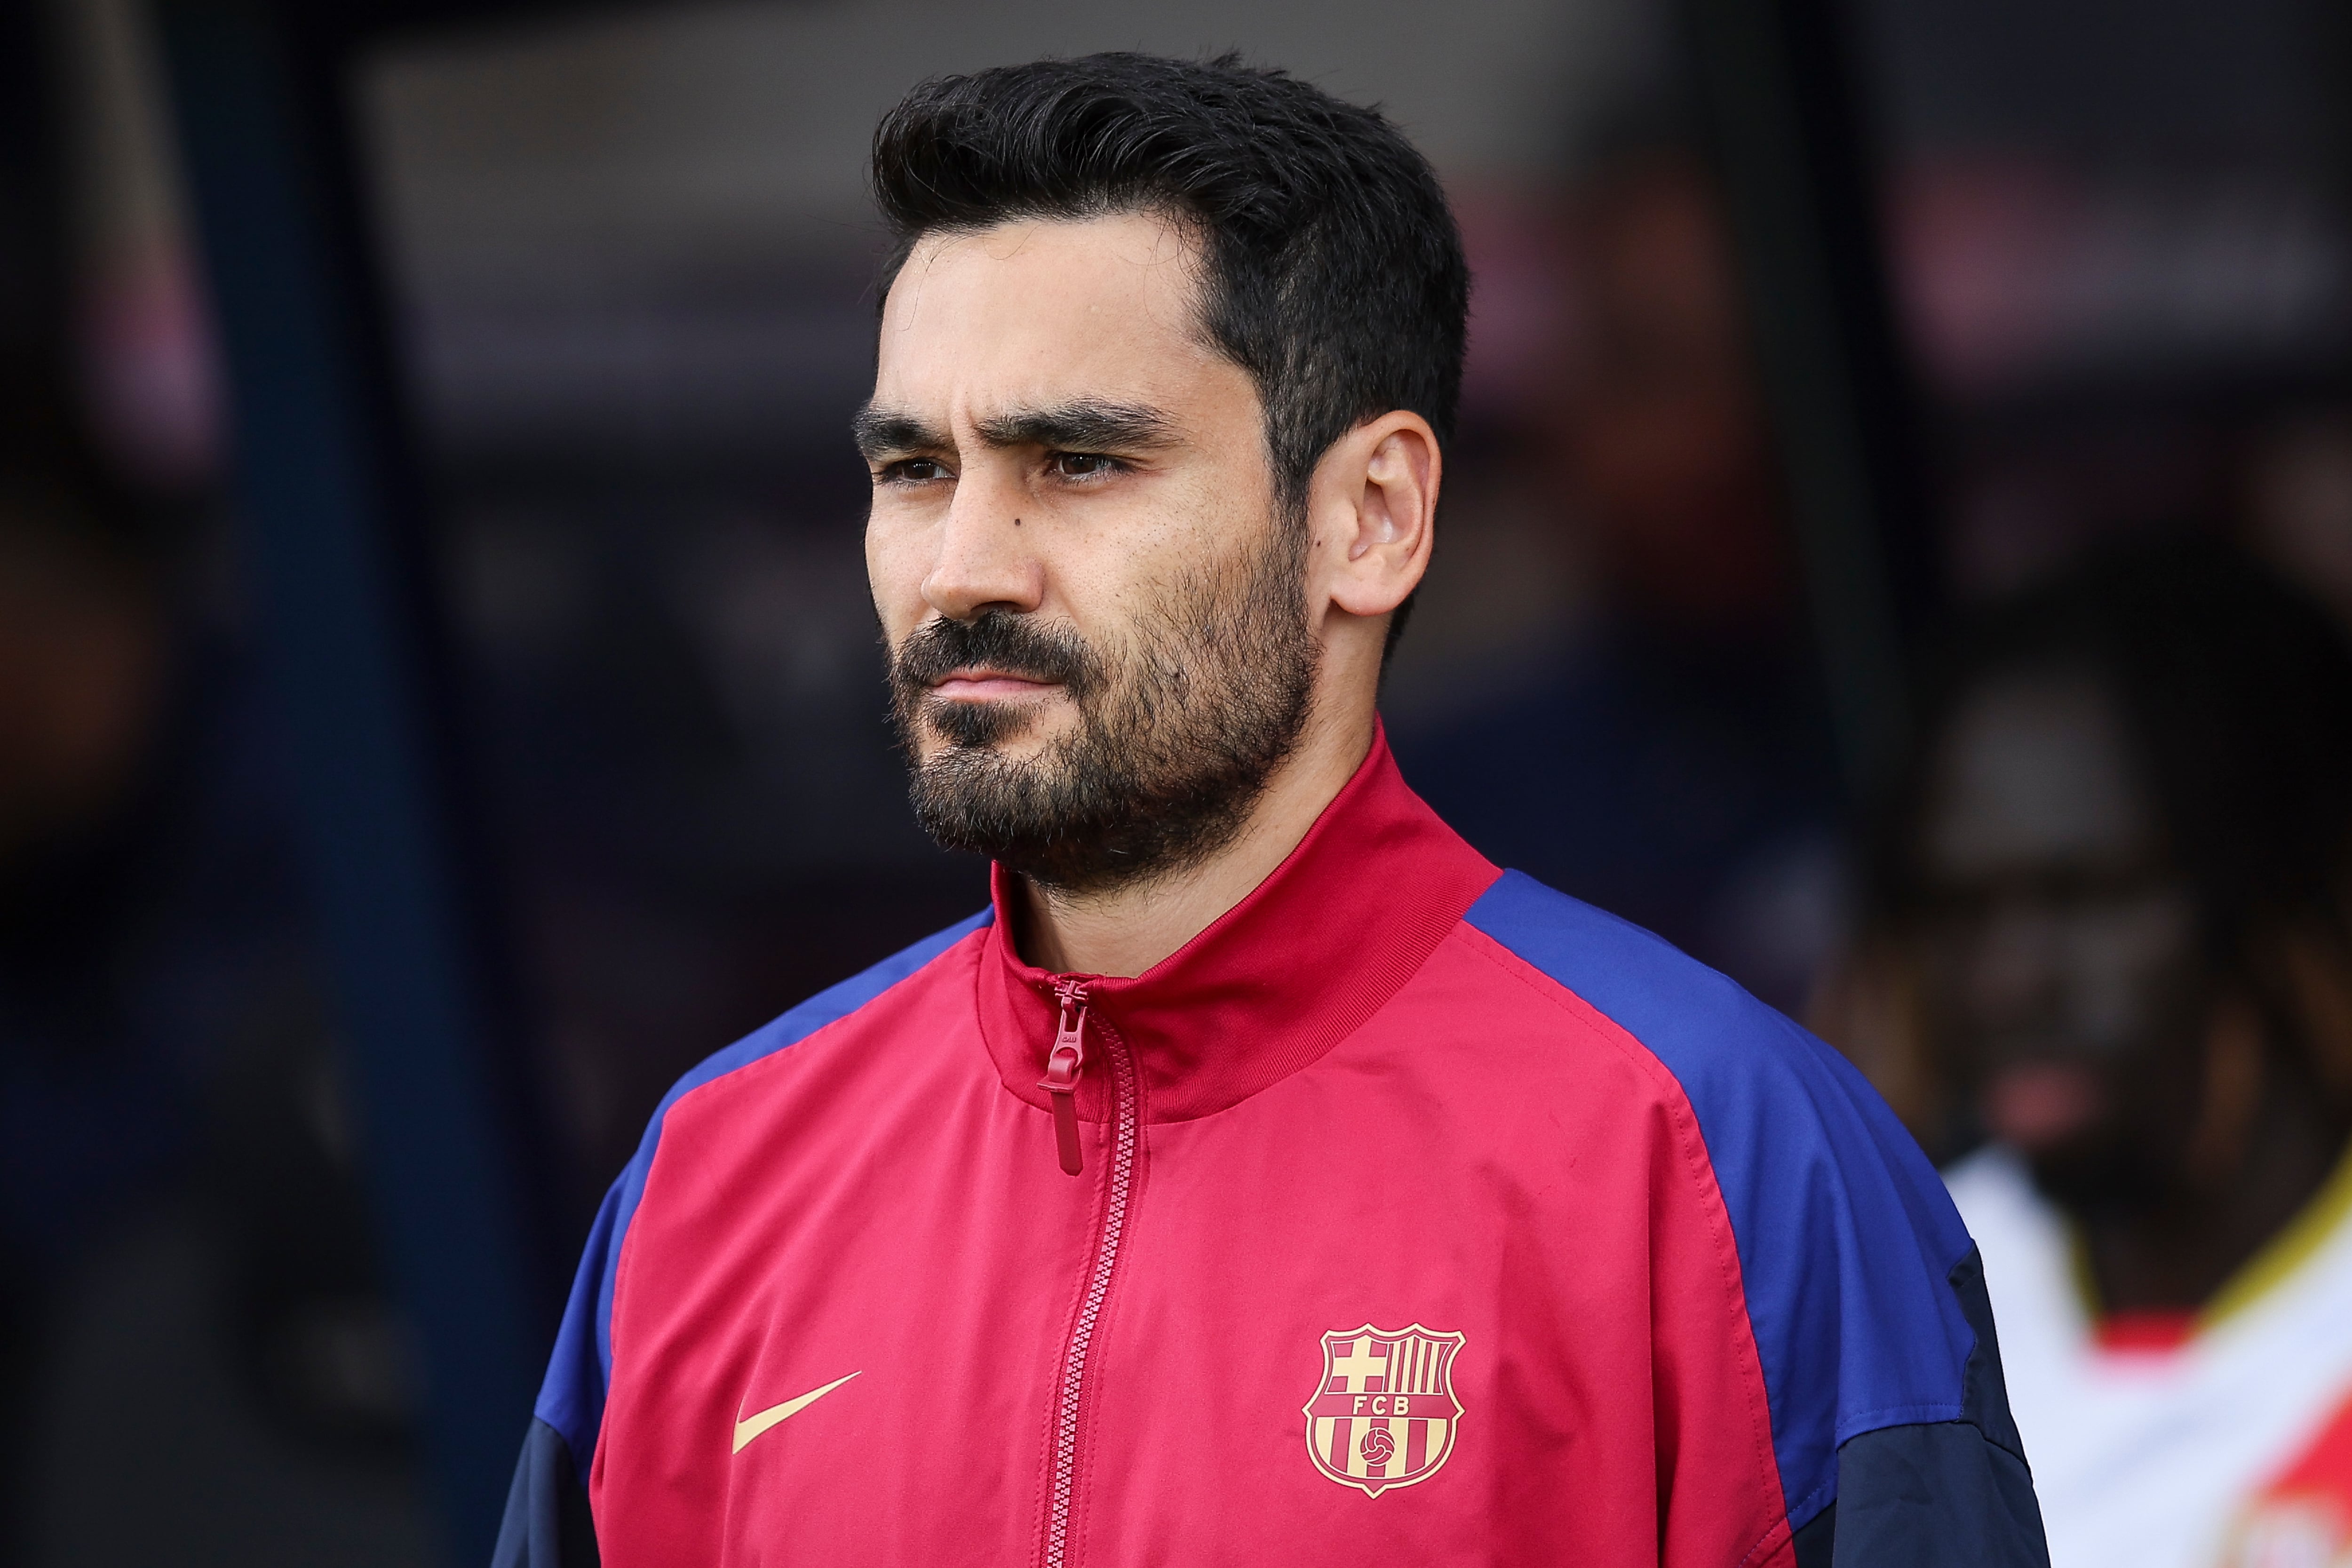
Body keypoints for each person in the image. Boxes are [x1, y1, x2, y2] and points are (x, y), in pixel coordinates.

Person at [494, 54, 2044, 1567]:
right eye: (914, 468)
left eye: (1081, 459)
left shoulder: (1727, 1161)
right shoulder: (711, 1185)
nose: (963, 564)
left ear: (1368, 517)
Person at [1822, 543, 2352, 1568]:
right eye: (1956, 908)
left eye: (2090, 896)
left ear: (2273, 899)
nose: (2007, 980)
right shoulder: (1886, 1312)